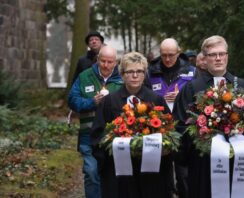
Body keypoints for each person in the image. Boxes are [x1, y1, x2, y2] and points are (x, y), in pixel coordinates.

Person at [172, 35, 244, 198]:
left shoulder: (241, 85)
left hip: (238, 162)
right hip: (204, 166)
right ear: (204, 59)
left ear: (227, 56)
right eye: (213, 55)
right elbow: (180, 126)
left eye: (222, 54)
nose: (218, 58)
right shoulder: (191, 89)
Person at [91, 52, 174, 198]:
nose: (135, 75)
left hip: (151, 174)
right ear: (122, 74)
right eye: (130, 71)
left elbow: (169, 133)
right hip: (119, 173)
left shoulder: (156, 100)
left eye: (139, 71)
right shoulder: (109, 102)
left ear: (145, 74)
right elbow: (97, 134)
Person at [68, 45, 123, 198]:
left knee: (112, 176)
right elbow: (72, 100)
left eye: (110, 62)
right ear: (97, 59)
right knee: (91, 173)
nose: (106, 65)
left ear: (116, 62)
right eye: (103, 61)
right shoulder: (85, 76)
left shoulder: (121, 80)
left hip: (114, 137)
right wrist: (92, 102)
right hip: (89, 135)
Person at [147, 38, 195, 198]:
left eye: (171, 55)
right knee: (162, 177)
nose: (167, 59)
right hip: (158, 129)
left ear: (179, 53)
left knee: (184, 176)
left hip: (183, 129)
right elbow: (144, 98)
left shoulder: (191, 71)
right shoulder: (150, 71)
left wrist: (181, 97)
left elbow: (199, 100)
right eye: (164, 55)